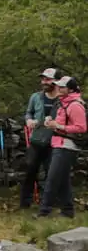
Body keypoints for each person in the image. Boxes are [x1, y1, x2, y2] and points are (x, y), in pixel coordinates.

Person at [42, 75, 83, 219]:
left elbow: (81, 127)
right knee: (63, 180)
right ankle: (68, 210)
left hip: (67, 146)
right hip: (58, 144)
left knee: (52, 179)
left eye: (62, 87)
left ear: (70, 89)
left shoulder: (75, 105)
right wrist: (51, 122)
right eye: (58, 86)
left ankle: (44, 212)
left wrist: (58, 125)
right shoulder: (62, 103)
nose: (58, 88)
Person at [22, 68, 61, 210]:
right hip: (36, 141)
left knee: (52, 174)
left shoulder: (62, 100)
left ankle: (48, 205)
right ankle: (24, 204)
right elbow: (28, 113)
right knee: (30, 171)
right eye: (43, 79)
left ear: (56, 81)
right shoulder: (35, 97)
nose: (44, 82)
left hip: (55, 142)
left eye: (48, 79)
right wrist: (28, 120)